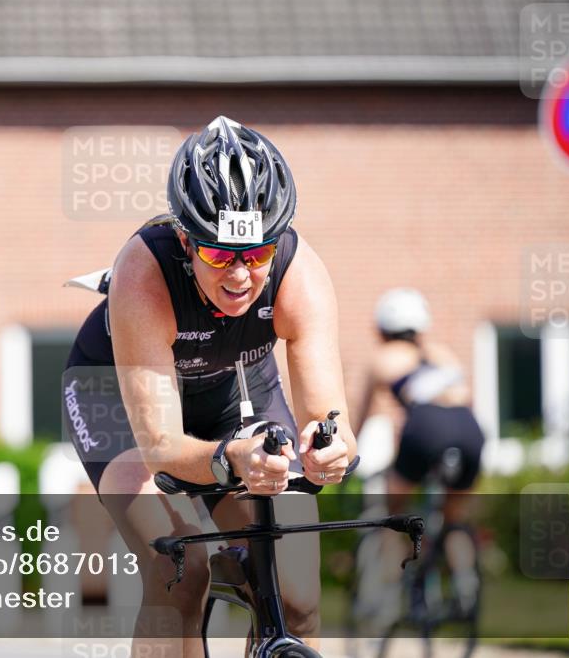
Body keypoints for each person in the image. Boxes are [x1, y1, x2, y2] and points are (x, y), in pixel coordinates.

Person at [62, 116, 356, 657]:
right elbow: (162, 450)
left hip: (231, 395)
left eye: (258, 252)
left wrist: (329, 450)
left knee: (298, 596)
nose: (241, 275)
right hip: (117, 401)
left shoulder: (300, 273)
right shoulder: (145, 272)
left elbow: (329, 419)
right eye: (219, 254)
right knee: (178, 561)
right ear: (184, 237)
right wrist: (230, 459)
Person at [354, 288, 485, 611]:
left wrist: (348, 456)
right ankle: (466, 584)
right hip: (469, 431)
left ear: (381, 328)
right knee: (452, 517)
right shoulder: (442, 354)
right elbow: (467, 400)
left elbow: (359, 415)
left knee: (391, 514)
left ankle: (385, 597)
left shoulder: (382, 358)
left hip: (425, 429)